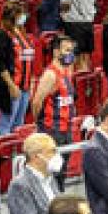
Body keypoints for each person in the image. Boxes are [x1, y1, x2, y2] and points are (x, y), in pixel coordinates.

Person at [32, 34, 79, 166]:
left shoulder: (67, 71)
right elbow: (36, 102)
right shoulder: (50, 74)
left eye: (71, 50)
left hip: (67, 129)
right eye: (67, 50)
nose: (70, 54)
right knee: (52, 171)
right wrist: (40, 124)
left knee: (62, 171)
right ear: (56, 52)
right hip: (52, 131)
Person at [0, 0, 35, 134]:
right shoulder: (2, 35)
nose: (24, 17)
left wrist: (31, 82)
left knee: (19, 124)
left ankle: (16, 147)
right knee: (7, 124)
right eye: (21, 14)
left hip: (25, 85)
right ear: (13, 16)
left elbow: (29, 58)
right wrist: (11, 85)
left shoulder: (22, 32)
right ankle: (3, 147)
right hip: (12, 86)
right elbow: (0, 64)